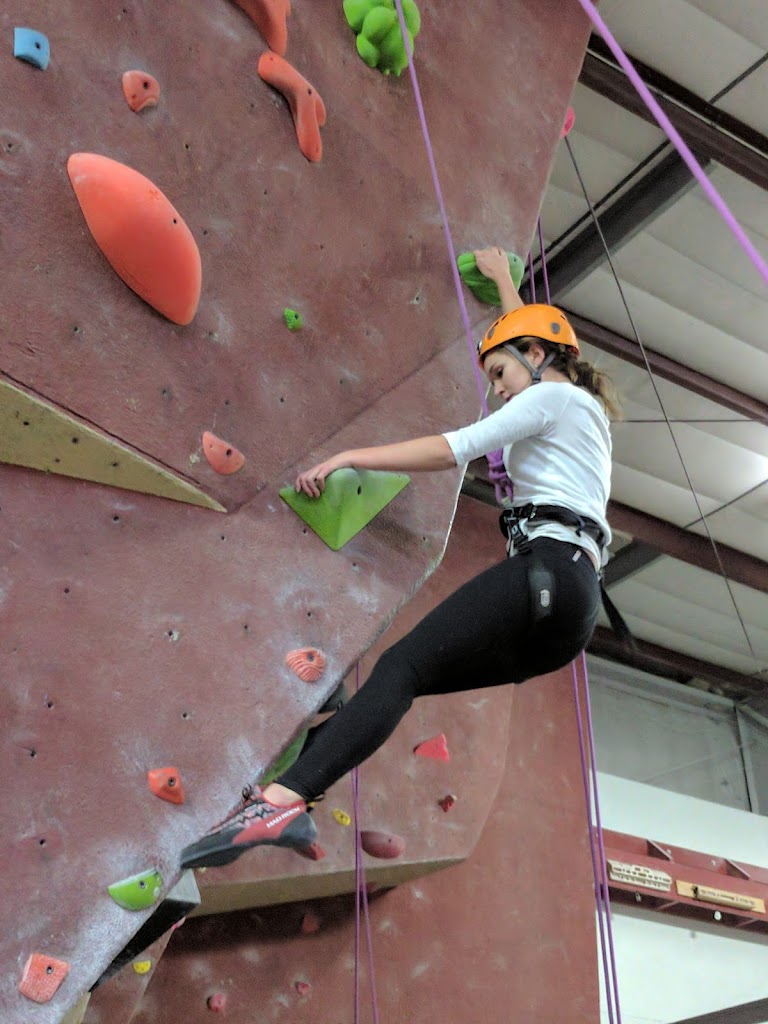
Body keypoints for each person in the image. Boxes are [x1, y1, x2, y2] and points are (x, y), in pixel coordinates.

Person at [180, 246, 620, 870]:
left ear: (537, 356)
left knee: (402, 668)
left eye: (499, 374)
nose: (496, 390)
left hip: (546, 570)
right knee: (403, 678)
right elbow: (525, 337)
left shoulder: (553, 399)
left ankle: (281, 803)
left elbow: (454, 448)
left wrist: (350, 455)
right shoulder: (575, 408)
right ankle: (301, 786)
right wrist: (502, 280)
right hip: (569, 616)